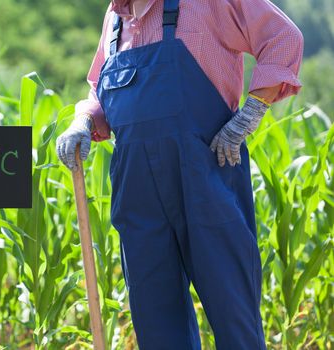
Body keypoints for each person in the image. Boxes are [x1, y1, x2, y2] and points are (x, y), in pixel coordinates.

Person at [56, 0, 303, 348]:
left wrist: (251, 112)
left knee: (232, 307)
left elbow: (282, 37)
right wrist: (82, 121)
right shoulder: (115, 18)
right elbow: (100, 89)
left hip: (206, 174)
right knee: (155, 317)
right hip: (137, 190)